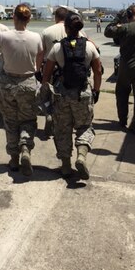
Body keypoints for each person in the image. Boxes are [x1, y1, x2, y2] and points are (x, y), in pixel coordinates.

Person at [41, 12, 102, 179]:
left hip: (62, 94)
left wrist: (45, 92)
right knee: (84, 126)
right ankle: (81, 156)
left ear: (66, 28)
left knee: (62, 129)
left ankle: (66, 165)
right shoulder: (89, 47)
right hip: (82, 93)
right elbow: (98, 71)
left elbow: (46, 74)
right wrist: (96, 91)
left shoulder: (57, 47)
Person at [0, 4, 43, 176]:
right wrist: (34, 68)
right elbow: (40, 58)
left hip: (8, 83)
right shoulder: (36, 37)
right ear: (29, 19)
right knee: (28, 119)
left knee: (10, 122)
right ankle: (26, 147)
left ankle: (13, 158)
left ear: (14, 17)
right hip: (27, 82)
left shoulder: (3, 37)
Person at [104, 5, 135, 135]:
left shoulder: (126, 28)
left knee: (122, 93)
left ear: (128, 14)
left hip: (127, 64)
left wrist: (117, 19)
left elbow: (108, 32)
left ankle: (122, 120)